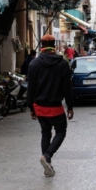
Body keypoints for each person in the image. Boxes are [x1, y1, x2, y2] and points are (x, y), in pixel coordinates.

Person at [27, 34, 74, 177]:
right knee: (61, 131)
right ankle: (47, 157)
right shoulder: (62, 64)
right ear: (54, 45)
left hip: (39, 107)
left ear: (41, 45)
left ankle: (48, 164)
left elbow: (31, 88)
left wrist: (31, 108)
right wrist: (70, 106)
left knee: (45, 133)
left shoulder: (33, 64)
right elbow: (67, 87)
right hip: (55, 107)